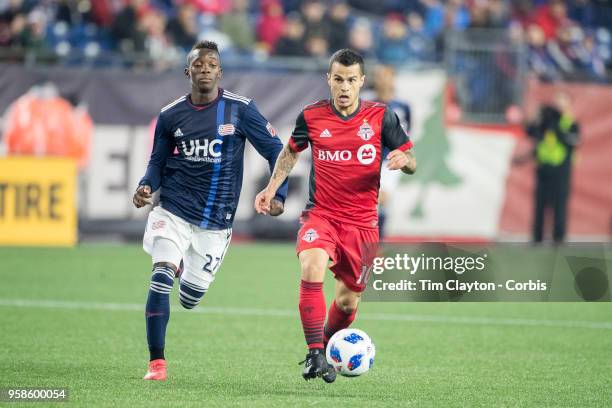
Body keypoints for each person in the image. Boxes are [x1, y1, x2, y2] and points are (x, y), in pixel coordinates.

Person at [254, 49, 416, 383]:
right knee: (311, 265)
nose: (344, 87)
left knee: (347, 301)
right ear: (329, 79)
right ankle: (315, 354)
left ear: (361, 82)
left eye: (351, 80)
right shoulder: (312, 116)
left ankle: (326, 345)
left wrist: (404, 159)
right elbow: (289, 153)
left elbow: (411, 158)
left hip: (363, 224)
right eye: (338, 79)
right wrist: (272, 188)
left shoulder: (381, 116)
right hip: (322, 215)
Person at [133, 40, 288, 381]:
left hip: (216, 224)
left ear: (220, 71)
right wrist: (146, 186)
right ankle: (156, 363)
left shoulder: (241, 110)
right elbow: (156, 162)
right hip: (172, 210)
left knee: (189, 298)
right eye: (198, 64)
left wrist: (278, 193)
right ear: (187, 71)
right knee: (160, 276)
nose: (205, 69)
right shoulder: (170, 115)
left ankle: (183, 266)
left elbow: (278, 150)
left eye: (211, 64)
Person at [525, 91, 579, 243]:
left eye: (562, 102)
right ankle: (537, 236)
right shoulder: (545, 122)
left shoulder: (570, 123)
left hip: (562, 169)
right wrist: (538, 117)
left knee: (560, 204)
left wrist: (556, 125)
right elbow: (530, 132)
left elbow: (572, 142)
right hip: (543, 168)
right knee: (540, 204)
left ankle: (559, 237)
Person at [371, 64, 412, 239]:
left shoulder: (402, 106)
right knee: (369, 202)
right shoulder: (367, 103)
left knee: (383, 198)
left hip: (390, 159)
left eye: (387, 76)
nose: (384, 80)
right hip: (368, 158)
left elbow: (408, 130)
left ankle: (378, 241)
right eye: (381, 76)